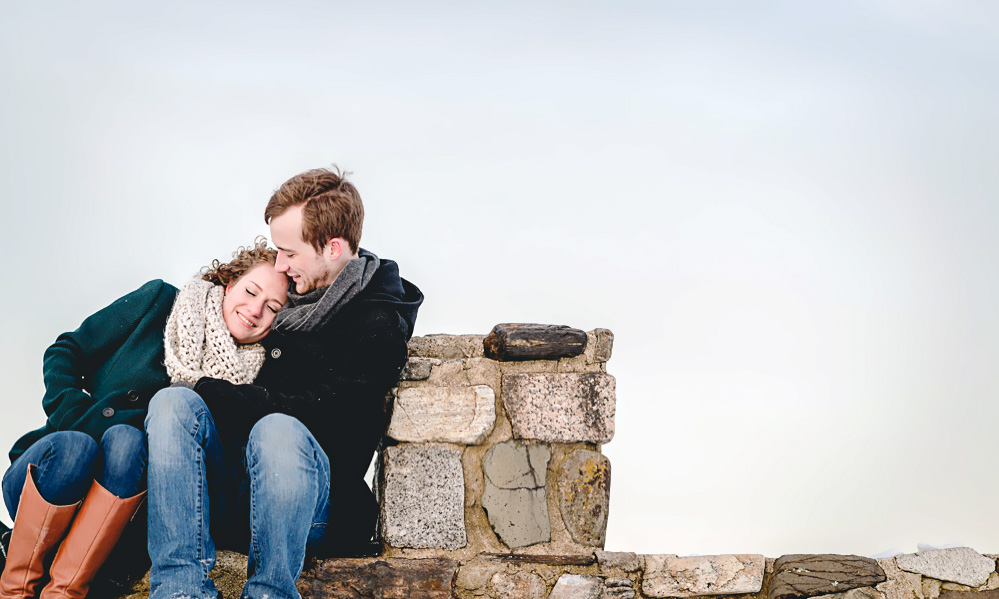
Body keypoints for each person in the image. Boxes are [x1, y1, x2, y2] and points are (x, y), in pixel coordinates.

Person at [145, 167, 424, 599]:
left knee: (278, 427)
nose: (279, 264)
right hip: (238, 489)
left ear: (332, 248)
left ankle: (269, 592)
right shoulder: (292, 294)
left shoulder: (378, 322)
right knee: (172, 403)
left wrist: (213, 391)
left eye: (288, 252)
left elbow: (328, 418)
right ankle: (180, 589)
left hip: (310, 504)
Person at [0, 239, 288, 599]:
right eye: (251, 290)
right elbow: (66, 351)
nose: (255, 309)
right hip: (54, 479)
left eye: (273, 307)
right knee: (76, 447)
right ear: (229, 282)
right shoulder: (158, 302)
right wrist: (77, 415)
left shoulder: (249, 385)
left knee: (127, 442)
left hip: (120, 519)